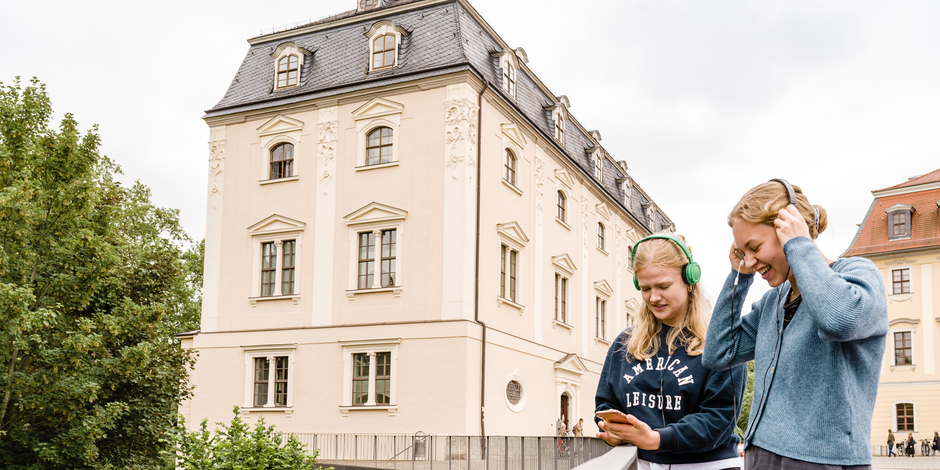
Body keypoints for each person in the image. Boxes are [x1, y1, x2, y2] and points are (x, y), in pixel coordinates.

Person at [703, 179, 888, 469]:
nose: (749, 261)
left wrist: (800, 246)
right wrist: (738, 277)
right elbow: (718, 352)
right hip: (761, 452)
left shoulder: (858, 273)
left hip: (821, 459)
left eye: (755, 247)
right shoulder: (772, 302)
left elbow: (837, 320)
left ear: (789, 229)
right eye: (742, 252)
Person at [596, 233, 747, 470]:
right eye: (645, 288)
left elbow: (719, 419)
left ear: (689, 280)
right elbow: (606, 404)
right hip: (644, 464)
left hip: (710, 465)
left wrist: (657, 439)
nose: (653, 297)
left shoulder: (720, 341)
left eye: (663, 286)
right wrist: (612, 430)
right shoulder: (624, 343)